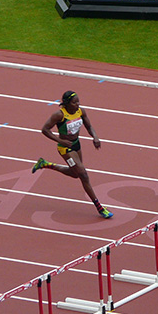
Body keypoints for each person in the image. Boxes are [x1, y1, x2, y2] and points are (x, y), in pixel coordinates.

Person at [32, 90, 113, 219]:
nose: (78, 104)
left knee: (76, 174)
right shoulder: (59, 115)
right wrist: (60, 140)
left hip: (76, 144)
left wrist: (95, 137)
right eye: (75, 102)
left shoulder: (81, 111)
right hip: (65, 149)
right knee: (83, 175)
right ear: (67, 103)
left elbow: (89, 126)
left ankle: (45, 164)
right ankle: (100, 207)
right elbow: (45, 129)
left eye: (78, 101)